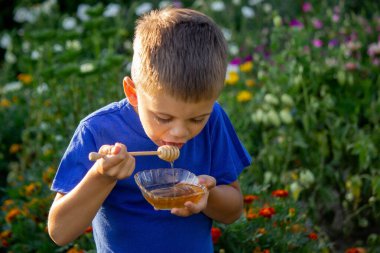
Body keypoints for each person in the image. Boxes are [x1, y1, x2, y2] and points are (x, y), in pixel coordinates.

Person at [48, 7, 251, 253]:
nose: (179, 132)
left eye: (197, 119)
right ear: (133, 93)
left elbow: (233, 210)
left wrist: (207, 197)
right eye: (163, 117)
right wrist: (102, 176)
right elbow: (60, 231)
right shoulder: (98, 130)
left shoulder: (214, 120)